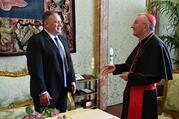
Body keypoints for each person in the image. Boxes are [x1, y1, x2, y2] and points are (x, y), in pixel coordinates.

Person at [101, 13, 173, 119]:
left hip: (146, 97)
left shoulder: (156, 45)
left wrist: (130, 77)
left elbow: (154, 76)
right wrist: (116, 68)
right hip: (133, 91)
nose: (132, 26)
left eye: (135, 22)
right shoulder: (143, 43)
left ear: (145, 27)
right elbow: (131, 65)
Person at [26, 11, 76, 113]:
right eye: (56, 22)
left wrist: (73, 80)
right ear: (46, 23)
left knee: (62, 116)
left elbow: (68, 62)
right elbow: (35, 70)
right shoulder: (36, 41)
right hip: (47, 92)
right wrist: (42, 91)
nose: (60, 25)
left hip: (63, 90)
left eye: (60, 22)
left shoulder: (62, 40)